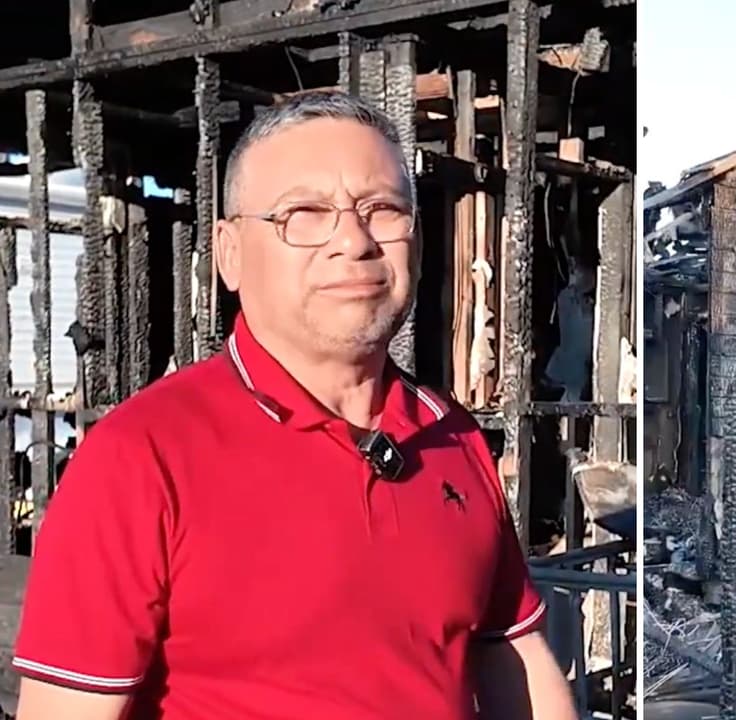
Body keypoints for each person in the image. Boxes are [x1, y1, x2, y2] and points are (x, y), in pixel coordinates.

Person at [11, 90, 575, 720]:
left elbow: (511, 653)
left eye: (383, 209)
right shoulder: (142, 456)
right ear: (229, 253)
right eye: (304, 213)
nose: (354, 241)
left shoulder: (452, 438)